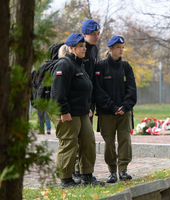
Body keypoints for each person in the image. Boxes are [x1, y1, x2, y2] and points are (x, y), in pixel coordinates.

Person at [51, 33, 105, 188]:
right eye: (81, 46)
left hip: (81, 112)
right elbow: (58, 92)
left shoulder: (78, 64)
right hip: (68, 113)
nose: (84, 49)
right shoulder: (64, 64)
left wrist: (88, 107)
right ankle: (65, 180)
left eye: (84, 46)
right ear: (72, 48)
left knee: (88, 142)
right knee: (68, 144)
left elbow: (84, 89)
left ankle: (87, 176)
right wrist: (64, 111)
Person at [94, 35, 137, 183]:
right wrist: (112, 107)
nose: (121, 50)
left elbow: (132, 89)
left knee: (125, 140)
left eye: (122, 47)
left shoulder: (126, 67)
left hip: (124, 112)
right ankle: (112, 171)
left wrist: (125, 106)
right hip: (107, 113)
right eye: (118, 47)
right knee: (110, 143)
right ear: (111, 48)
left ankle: (123, 170)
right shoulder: (100, 67)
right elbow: (98, 91)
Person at [72, 19, 101, 184]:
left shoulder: (93, 49)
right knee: (78, 138)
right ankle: (76, 171)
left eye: (98, 34)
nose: (96, 37)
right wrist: (87, 105)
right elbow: (81, 81)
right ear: (84, 35)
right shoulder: (80, 50)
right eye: (93, 34)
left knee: (86, 138)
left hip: (89, 102)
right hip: (80, 103)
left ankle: (82, 171)